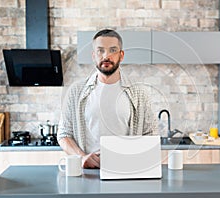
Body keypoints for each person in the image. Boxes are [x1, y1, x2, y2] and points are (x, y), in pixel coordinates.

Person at [57, 29, 157, 169]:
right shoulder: (76, 91)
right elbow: (64, 134)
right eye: (100, 51)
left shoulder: (139, 92)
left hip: (127, 169)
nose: (106, 56)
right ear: (93, 55)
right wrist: (82, 157)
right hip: (89, 171)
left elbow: (151, 134)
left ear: (121, 55)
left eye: (112, 50)